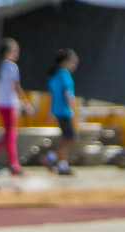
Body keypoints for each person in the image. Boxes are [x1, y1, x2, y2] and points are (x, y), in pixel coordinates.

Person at [0, 38, 30, 175]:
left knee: (9, 135)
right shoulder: (11, 67)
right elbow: (17, 87)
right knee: (10, 135)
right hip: (9, 104)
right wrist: (25, 103)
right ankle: (12, 163)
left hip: (0, 104)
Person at [45, 48, 78, 176]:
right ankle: (51, 157)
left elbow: (51, 96)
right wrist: (72, 110)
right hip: (65, 111)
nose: (73, 65)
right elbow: (68, 94)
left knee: (64, 139)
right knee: (72, 139)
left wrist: (50, 111)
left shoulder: (53, 76)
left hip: (56, 110)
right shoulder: (65, 75)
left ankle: (63, 166)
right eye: (72, 62)